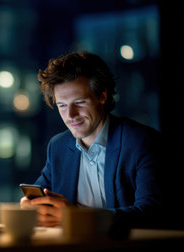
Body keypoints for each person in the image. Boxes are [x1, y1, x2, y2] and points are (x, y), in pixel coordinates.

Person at [20, 51, 163, 230]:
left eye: (79, 102)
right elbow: (41, 196)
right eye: (62, 106)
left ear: (102, 96)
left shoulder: (140, 142)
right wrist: (31, 207)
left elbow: (150, 213)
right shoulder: (58, 147)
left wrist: (77, 218)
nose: (70, 115)